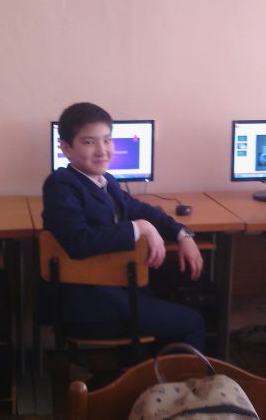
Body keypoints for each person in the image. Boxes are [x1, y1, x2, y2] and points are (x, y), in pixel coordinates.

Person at [42, 102, 206, 351]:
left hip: (114, 290)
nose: (102, 150)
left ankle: (145, 368)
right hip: (90, 307)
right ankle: (172, 376)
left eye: (107, 140)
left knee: (178, 289)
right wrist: (139, 228)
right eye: (89, 142)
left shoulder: (104, 180)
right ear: (66, 148)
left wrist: (183, 234)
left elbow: (141, 209)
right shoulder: (61, 185)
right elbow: (79, 241)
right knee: (193, 322)